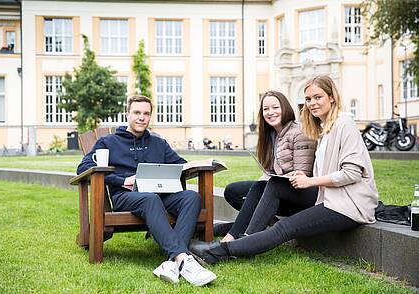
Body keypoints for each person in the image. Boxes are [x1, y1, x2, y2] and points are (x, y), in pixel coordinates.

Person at [190, 75, 379, 264]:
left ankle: (220, 252)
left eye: (317, 97)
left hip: (349, 206)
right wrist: (300, 176)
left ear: (332, 97)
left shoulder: (344, 124)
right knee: (279, 214)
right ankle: (230, 244)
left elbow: (352, 173)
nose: (312, 103)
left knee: (284, 227)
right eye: (308, 99)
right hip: (331, 200)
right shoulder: (324, 129)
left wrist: (309, 181)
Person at [77, 95, 216, 286]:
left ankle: (173, 262)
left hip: (161, 195)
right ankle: (184, 259)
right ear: (128, 114)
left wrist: (199, 165)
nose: (141, 117)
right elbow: (83, 168)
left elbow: (181, 165)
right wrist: (121, 180)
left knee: (191, 197)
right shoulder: (109, 142)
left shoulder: (159, 143)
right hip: (126, 196)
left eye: (146, 113)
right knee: (149, 199)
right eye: (137, 112)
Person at [216, 90, 316, 243]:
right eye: (266, 109)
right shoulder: (270, 135)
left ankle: (236, 238)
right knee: (233, 191)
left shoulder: (299, 132)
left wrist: (280, 179)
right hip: (279, 188)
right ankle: (270, 223)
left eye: (275, 107)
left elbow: (304, 174)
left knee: (261, 187)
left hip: (300, 193)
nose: (270, 112)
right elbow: (270, 171)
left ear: (285, 108)